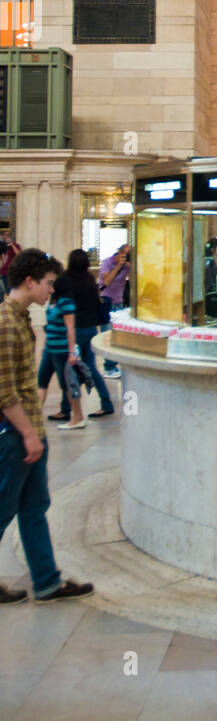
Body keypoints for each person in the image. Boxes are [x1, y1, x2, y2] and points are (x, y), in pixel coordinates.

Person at [0, 248, 95, 604]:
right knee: (3, 509)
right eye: (49, 283)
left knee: (33, 507)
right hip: (14, 436)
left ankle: (47, 582)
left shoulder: (22, 317)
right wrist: (27, 434)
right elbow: (4, 390)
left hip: (30, 432)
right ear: (30, 281)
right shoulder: (6, 324)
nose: (51, 291)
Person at [54, 250, 115, 418]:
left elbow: (58, 302)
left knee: (67, 370)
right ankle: (106, 403)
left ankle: (66, 409)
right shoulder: (89, 280)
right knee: (91, 368)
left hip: (73, 329)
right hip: (90, 329)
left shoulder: (65, 281)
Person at [37, 278, 80, 426]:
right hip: (50, 348)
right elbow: (49, 325)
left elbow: (70, 328)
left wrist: (72, 352)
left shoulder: (66, 302)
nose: (49, 287)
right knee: (41, 380)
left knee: (67, 385)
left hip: (62, 350)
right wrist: (45, 345)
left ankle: (77, 417)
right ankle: (35, 418)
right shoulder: (53, 301)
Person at [98, 243, 130, 378]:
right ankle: (109, 367)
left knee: (118, 336)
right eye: (126, 255)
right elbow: (106, 281)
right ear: (119, 253)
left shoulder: (127, 266)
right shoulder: (107, 262)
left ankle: (114, 365)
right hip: (105, 301)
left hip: (119, 303)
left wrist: (131, 266)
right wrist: (118, 266)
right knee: (107, 336)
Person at [0, 228, 21, 300]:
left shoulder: (16, 245)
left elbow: (19, 255)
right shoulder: (2, 246)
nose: (6, 237)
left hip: (12, 272)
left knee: (11, 291)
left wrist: (12, 244)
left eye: (8, 235)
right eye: (4, 235)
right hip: (3, 272)